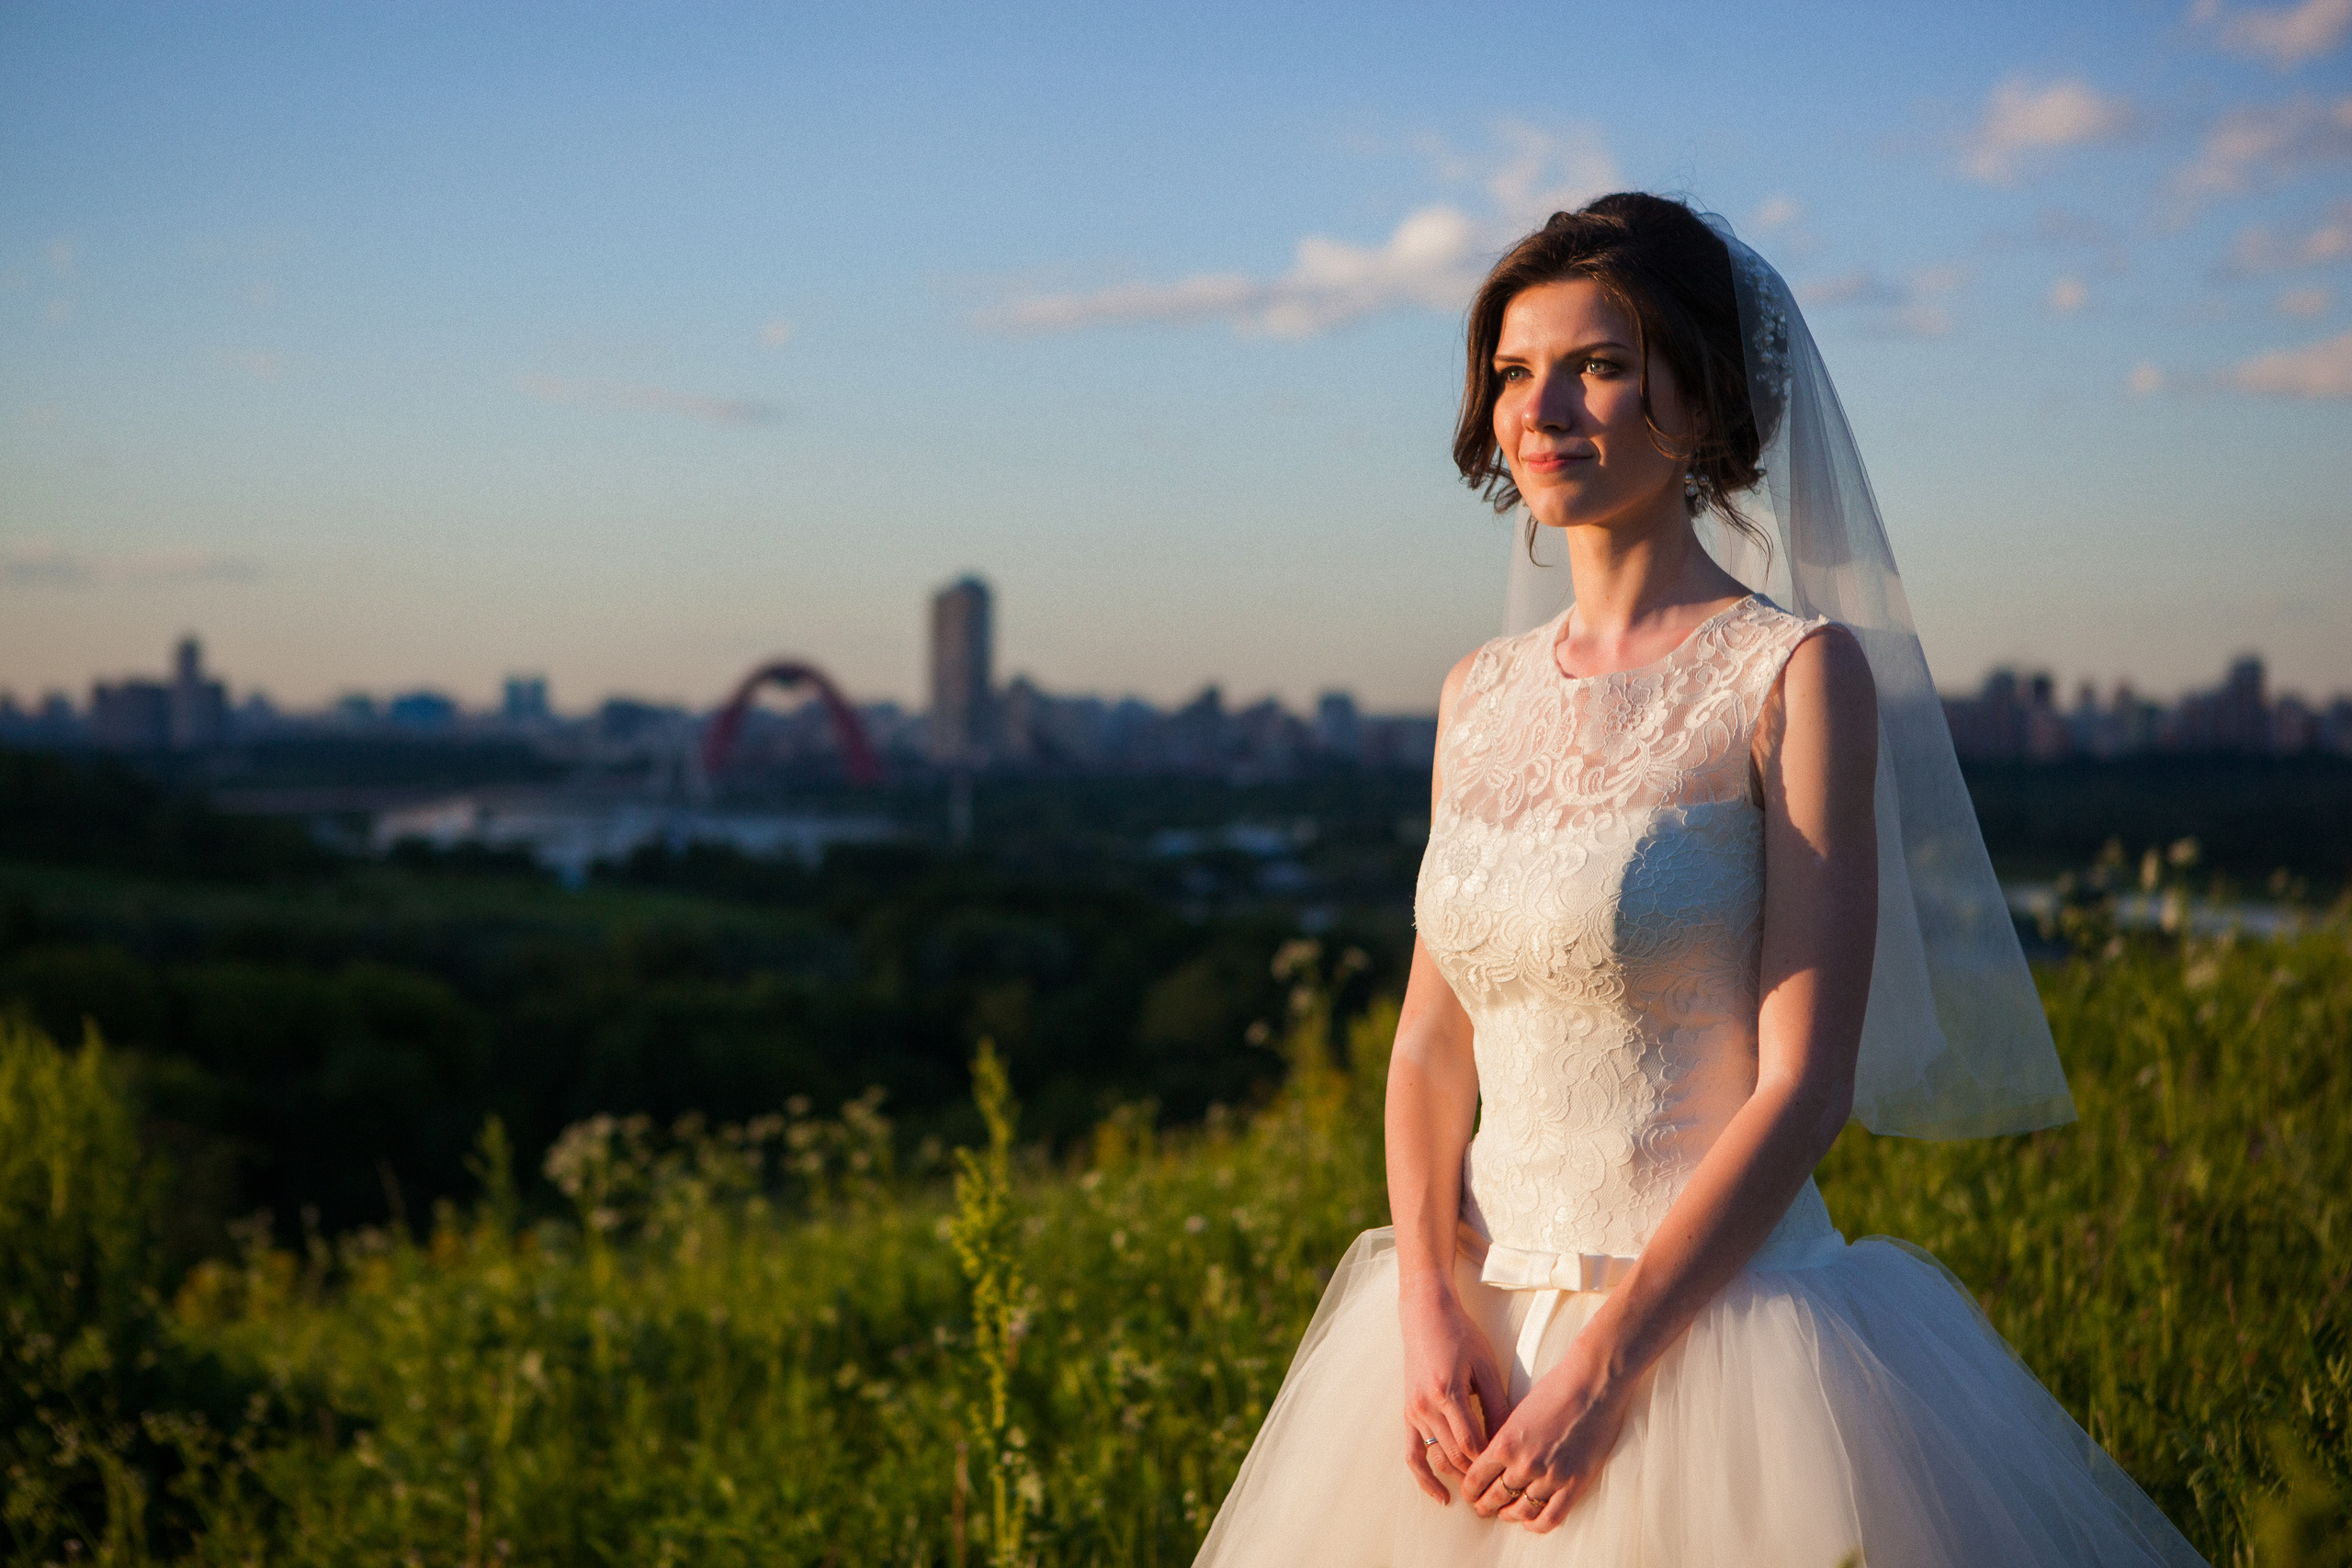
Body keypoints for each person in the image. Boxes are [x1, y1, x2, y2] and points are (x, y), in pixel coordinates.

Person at [1192, 193, 2207, 1566]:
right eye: (1514, 372)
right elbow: (1431, 1045)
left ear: (1702, 397)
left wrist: (1606, 1371)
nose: (1543, 409)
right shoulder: (1474, 695)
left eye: (1599, 366)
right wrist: (1426, 1304)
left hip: (1710, 1342)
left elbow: (1806, 1085)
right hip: (1470, 1338)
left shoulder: (1792, 674)